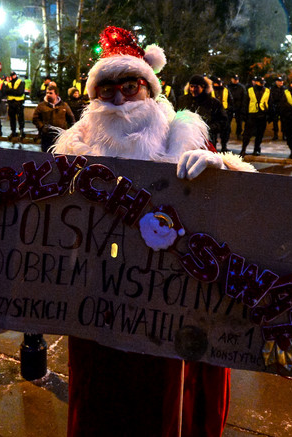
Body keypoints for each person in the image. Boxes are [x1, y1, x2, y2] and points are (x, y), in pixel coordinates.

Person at [43, 25, 252, 437]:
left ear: (149, 89)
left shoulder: (182, 136)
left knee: (164, 411)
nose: (119, 99)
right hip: (97, 313)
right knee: (101, 406)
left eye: (130, 86)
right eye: (106, 89)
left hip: (169, 318)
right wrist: (4, 301)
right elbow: (39, 234)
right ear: (92, 96)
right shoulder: (75, 147)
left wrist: (222, 174)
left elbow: (248, 216)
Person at [180, 74, 229, 149]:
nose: (193, 89)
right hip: (185, 142)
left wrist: (208, 128)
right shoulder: (182, 100)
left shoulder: (214, 103)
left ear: (203, 87)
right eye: (191, 86)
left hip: (206, 142)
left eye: (196, 87)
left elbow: (223, 121)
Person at [31, 83, 75, 152]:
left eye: (50, 93)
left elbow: (71, 120)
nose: (48, 95)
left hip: (60, 137)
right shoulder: (41, 106)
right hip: (46, 137)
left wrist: (69, 133)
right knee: (46, 156)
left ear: (56, 94)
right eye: (47, 93)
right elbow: (35, 118)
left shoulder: (64, 105)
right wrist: (42, 127)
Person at [240, 76, 270, 156]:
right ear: (256, 82)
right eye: (260, 82)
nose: (262, 84)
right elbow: (245, 103)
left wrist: (269, 115)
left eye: (263, 83)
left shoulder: (267, 91)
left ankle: (257, 149)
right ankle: (243, 149)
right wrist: (244, 115)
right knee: (247, 134)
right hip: (252, 115)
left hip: (262, 115)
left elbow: (270, 103)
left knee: (260, 134)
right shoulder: (250, 90)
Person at [209, 77, 231, 152]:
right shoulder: (210, 91)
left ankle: (224, 147)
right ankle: (214, 147)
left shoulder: (226, 90)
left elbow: (231, 101)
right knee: (213, 132)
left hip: (224, 113)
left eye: (220, 83)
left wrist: (229, 111)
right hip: (214, 114)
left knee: (225, 131)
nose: (219, 84)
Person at [3, 71, 26, 139]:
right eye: (12, 75)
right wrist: (13, 91)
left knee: (20, 118)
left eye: (14, 75)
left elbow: (20, 92)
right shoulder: (9, 83)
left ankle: (22, 131)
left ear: (16, 75)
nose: (13, 76)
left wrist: (11, 91)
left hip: (18, 103)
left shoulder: (20, 82)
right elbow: (5, 91)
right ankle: (13, 132)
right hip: (11, 103)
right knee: (12, 119)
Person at [226, 74, 247, 142]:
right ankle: (227, 134)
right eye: (234, 79)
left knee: (239, 122)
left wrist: (243, 107)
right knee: (228, 121)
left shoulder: (241, 87)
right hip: (230, 107)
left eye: (237, 79)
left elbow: (244, 98)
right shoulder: (228, 87)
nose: (236, 81)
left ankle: (238, 134)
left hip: (239, 107)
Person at [268, 75, 286, 141]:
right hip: (275, 107)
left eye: (281, 81)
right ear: (276, 82)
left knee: (284, 122)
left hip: (283, 107)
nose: (281, 82)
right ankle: (275, 135)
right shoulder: (272, 89)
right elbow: (271, 98)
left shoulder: (285, 89)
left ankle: (284, 135)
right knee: (275, 122)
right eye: (279, 81)